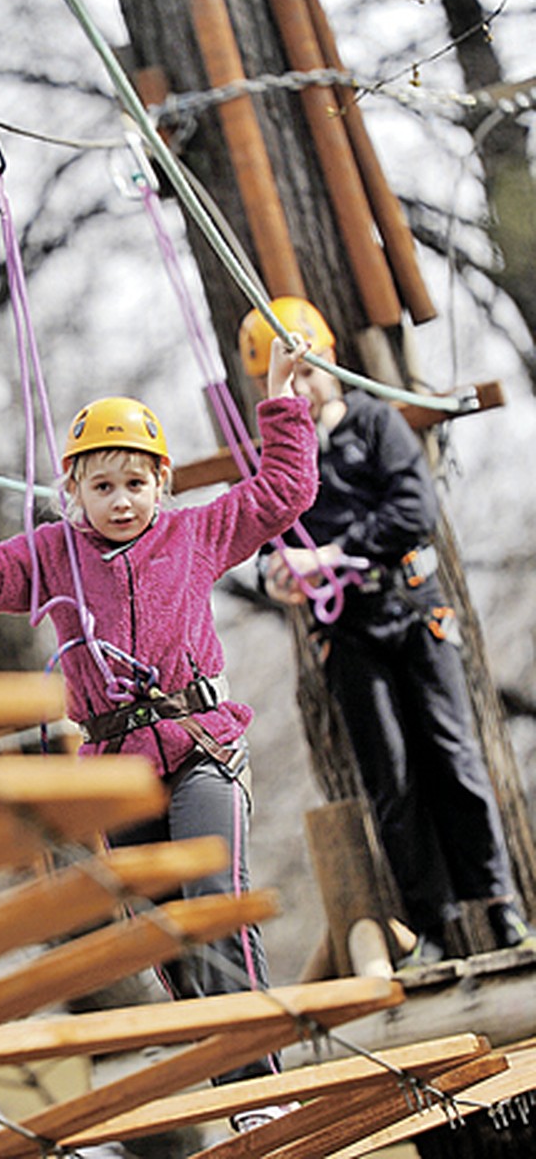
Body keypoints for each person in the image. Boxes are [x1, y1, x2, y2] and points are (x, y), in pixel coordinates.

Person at [0, 335, 316, 1098]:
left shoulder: (194, 534)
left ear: (161, 483)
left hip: (202, 749)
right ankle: (227, 1083)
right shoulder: (50, 553)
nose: (122, 500)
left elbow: (282, 493)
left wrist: (285, 405)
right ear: (74, 491)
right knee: (168, 937)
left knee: (213, 904)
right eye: (103, 487)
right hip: (121, 774)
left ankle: (261, 1082)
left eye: (136, 482)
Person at [240, 295, 534, 967]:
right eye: (288, 379)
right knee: (390, 778)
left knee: (452, 756)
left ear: (332, 364)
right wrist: (273, 575)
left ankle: (500, 905)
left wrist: (334, 554)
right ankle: (431, 923)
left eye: (311, 373)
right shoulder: (283, 459)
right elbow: (261, 531)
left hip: (412, 610)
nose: (305, 389)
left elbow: (413, 508)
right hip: (348, 635)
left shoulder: (376, 425)